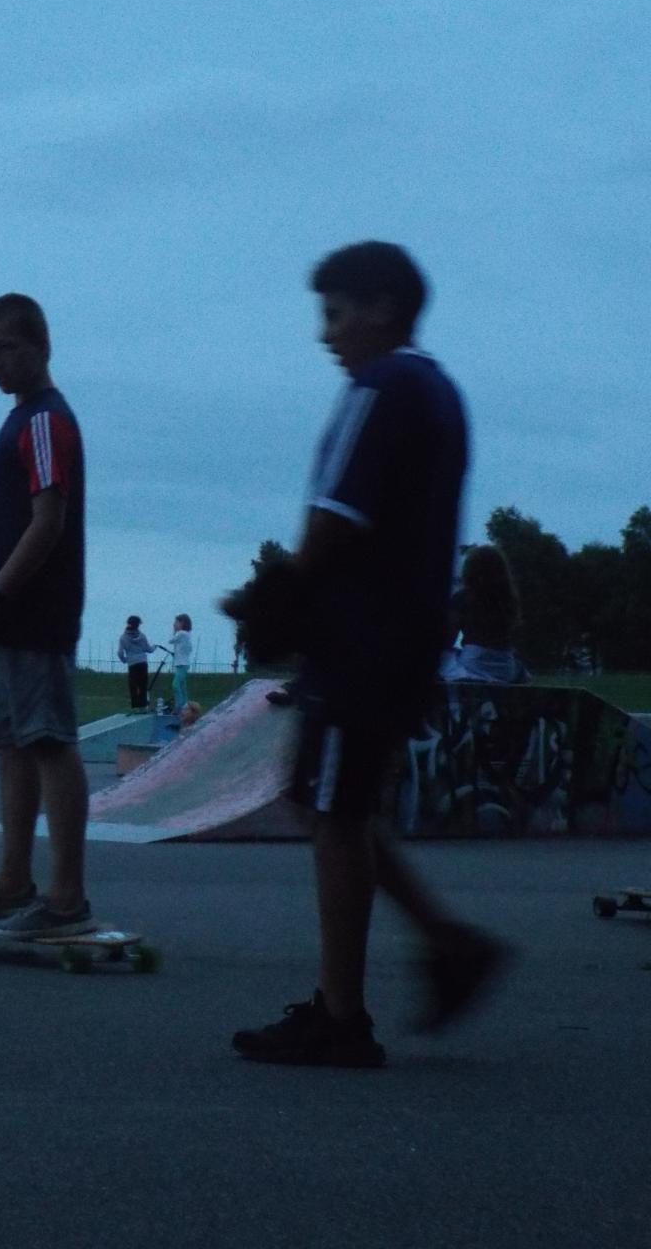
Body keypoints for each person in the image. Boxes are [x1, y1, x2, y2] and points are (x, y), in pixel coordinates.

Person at [224, 241, 506, 1068]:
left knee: (336, 814)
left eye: (336, 314)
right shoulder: (439, 391)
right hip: (405, 637)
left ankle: (341, 1016)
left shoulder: (380, 386)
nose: (326, 335)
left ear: (382, 307)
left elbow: (336, 513)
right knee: (330, 803)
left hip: (361, 639)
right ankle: (448, 944)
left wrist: (284, 591)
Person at [0, 292, 95, 940]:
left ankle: (66, 898)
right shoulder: (19, 420)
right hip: (9, 618)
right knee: (10, 746)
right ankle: (12, 882)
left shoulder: (44, 420)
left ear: (41, 346)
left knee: (50, 744)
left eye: (6, 347)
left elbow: (48, 520)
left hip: (35, 612)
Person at [440, 545, 529, 684]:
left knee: (444, 658)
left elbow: (448, 638)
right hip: (506, 666)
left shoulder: (463, 598)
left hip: (474, 663)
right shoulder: (508, 599)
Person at [116, 616, 155, 710]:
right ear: (138, 625)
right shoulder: (142, 636)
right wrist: (154, 647)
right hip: (142, 662)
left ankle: (134, 707)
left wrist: (124, 660)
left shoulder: (123, 637)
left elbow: (120, 652)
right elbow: (148, 649)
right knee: (143, 685)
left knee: (133, 686)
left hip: (132, 664)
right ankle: (143, 706)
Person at [165, 613, 196, 710]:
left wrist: (174, 630)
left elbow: (170, 640)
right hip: (182, 663)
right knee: (182, 687)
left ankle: (179, 707)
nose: (174, 624)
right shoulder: (186, 635)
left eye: (176, 622)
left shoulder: (181, 633)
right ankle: (186, 706)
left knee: (175, 685)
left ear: (182, 623)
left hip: (182, 664)